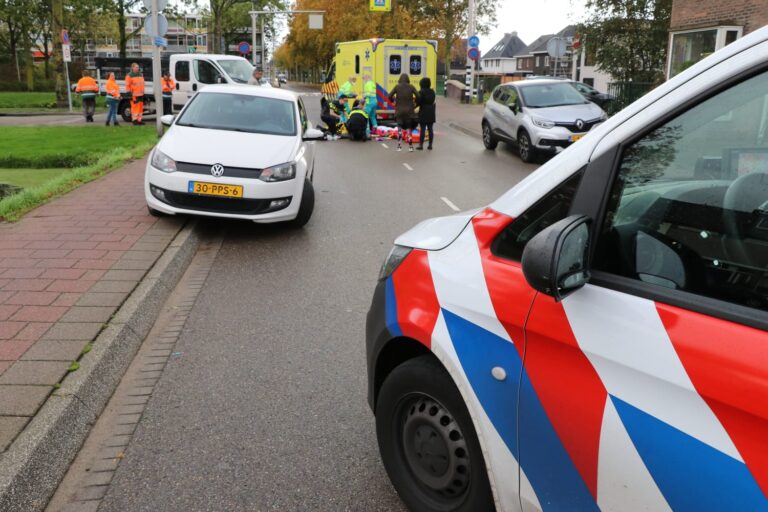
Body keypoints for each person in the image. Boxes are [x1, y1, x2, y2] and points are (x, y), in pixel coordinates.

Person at [388, 73, 418, 152]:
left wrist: (394, 101)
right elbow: (418, 96)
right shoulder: (411, 87)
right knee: (409, 128)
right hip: (409, 111)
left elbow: (389, 96)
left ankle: (399, 146)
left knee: (400, 129)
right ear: (408, 79)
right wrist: (415, 104)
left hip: (399, 111)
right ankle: (410, 146)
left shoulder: (397, 87)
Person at [416, 77, 436, 150]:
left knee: (423, 129)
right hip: (431, 111)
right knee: (430, 129)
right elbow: (433, 100)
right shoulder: (432, 91)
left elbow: (418, 102)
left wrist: (414, 107)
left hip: (423, 111)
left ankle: (421, 145)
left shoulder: (421, 92)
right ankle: (430, 145)